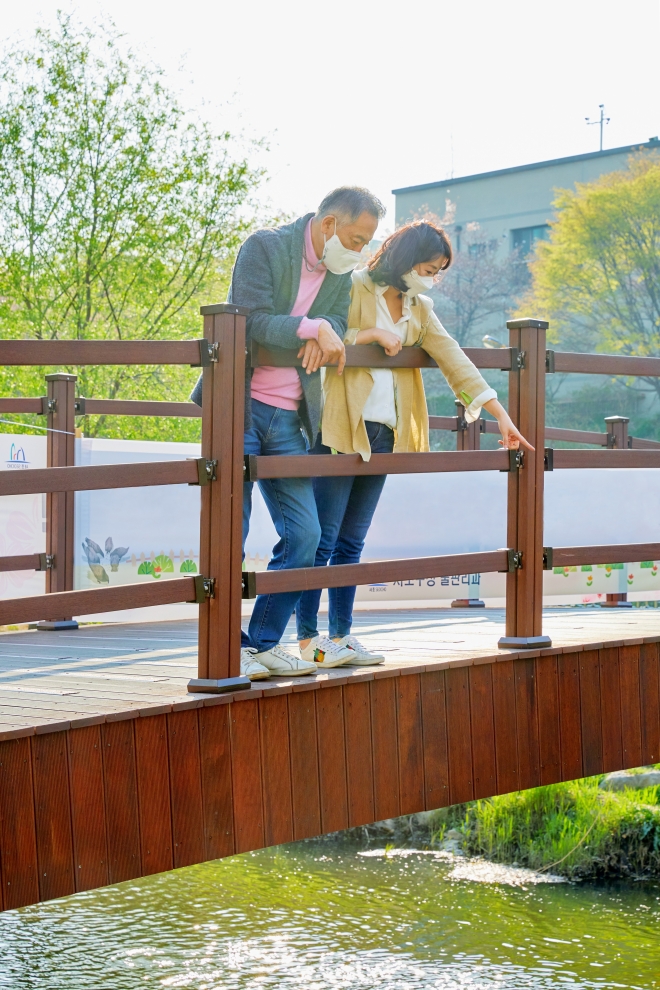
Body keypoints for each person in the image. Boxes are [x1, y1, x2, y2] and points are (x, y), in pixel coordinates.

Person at [296, 220, 532, 664]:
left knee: (351, 542)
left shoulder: (418, 308)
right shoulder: (352, 286)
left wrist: (501, 417)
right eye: (428, 268)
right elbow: (321, 330)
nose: (433, 278)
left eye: (438, 270)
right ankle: (309, 641)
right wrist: (369, 335)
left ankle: (341, 637)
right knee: (322, 540)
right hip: (340, 427)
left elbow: (453, 359)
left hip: (384, 434)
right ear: (405, 259)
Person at [192, 187, 385, 680]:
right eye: (357, 238)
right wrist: (310, 329)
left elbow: (337, 321)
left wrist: (324, 329)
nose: (361, 251)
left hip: (291, 416)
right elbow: (249, 320)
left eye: (368, 242)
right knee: (228, 534)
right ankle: (223, 649)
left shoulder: (339, 271)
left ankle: (260, 645)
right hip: (237, 406)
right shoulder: (264, 247)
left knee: (305, 535)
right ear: (327, 225)